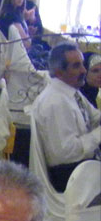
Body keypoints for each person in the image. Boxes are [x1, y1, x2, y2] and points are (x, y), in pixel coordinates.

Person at [31, 43, 101, 193]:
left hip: (81, 169)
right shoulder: (55, 102)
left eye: (82, 64)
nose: (84, 70)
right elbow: (66, 153)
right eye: (76, 66)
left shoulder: (70, 91)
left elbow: (95, 117)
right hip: (69, 178)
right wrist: (97, 134)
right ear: (59, 72)